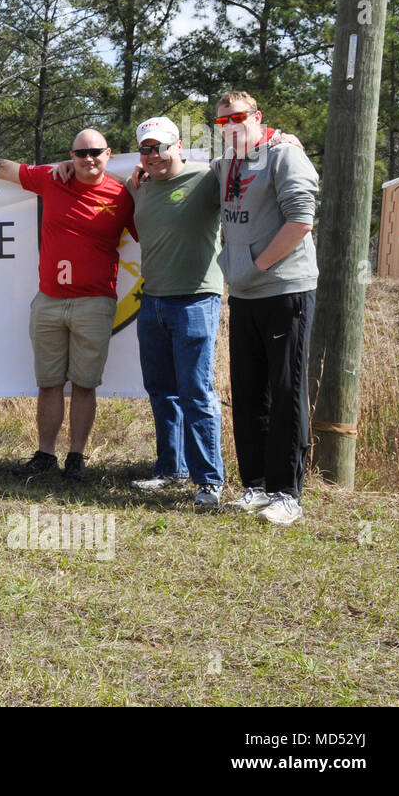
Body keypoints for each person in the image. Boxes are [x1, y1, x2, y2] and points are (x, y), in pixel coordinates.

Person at [0, 130, 136, 481]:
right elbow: (5, 169)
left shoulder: (123, 196)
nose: (88, 159)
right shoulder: (52, 179)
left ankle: (77, 457)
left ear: (109, 154)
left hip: (95, 301)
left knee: (85, 385)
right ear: (70, 155)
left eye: (96, 152)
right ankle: (45, 454)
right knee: (49, 382)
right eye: (80, 153)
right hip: (49, 301)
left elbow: (153, 234)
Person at [212, 92, 318, 525]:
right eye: (222, 122)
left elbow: (301, 220)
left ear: (257, 117)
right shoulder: (226, 165)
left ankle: (287, 493)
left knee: (286, 390)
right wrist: (143, 174)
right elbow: (177, 170)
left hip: (283, 289)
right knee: (249, 389)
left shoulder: (284, 156)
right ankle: (255, 485)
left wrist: (257, 265)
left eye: (238, 118)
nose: (231, 127)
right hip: (245, 293)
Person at [121, 117, 226, 506]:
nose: (154, 155)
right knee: (163, 392)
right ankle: (170, 470)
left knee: (196, 392)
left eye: (161, 147)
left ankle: (209, 482)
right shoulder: (141, 188)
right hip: (152, 301)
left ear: (178, 146)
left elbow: (250, 167)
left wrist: (281, 141)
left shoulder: (207, 179)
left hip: (197, 300)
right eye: (146, 149)